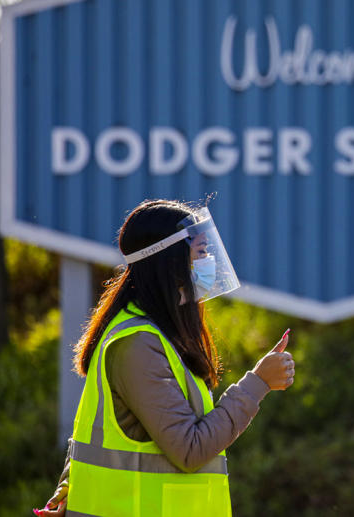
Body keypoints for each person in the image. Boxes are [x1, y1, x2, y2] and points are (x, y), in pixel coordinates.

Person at [35, 199, 295, 516]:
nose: (208, 260)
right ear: (169, 262)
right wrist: (257, 384)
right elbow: (190, 449)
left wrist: (65, 491)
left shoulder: (149, 334)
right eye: (200, 252)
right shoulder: (138, 345)